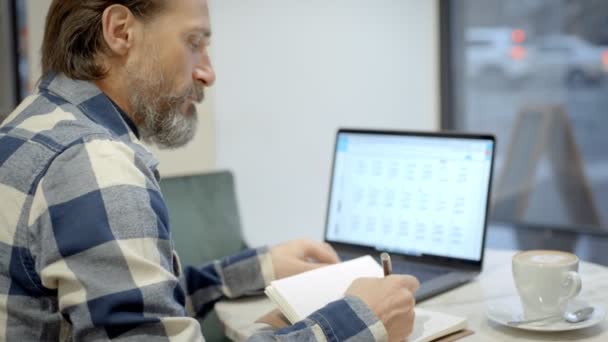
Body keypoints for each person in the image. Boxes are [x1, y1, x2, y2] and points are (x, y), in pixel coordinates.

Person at [0, 0, 419, 340]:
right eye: (194, 41)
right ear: (120, 31)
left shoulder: (33, 125)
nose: (208, 72)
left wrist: (259, 269)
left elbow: (123, 306)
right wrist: (360, 320)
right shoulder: (93, 160)